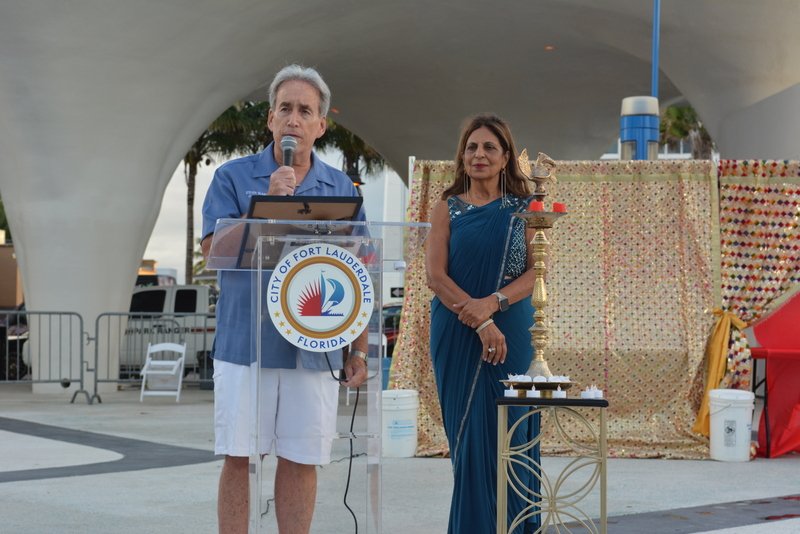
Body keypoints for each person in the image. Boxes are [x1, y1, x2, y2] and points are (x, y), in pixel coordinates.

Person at [200, 64, 369, 534]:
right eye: (285, 108)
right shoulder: (233, 177)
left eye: (305, 111)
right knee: (240, 456)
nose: (294, 119)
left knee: (301, 458)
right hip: (246, 344)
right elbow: (212, 251)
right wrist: (265, 208)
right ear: (270, 119)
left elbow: (360, 270)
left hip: (315, 345)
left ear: (321, 125)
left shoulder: (341, 188)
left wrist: (358, 349)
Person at [425, 114, 536, 533]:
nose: (479, 154)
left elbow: (537, 272)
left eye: (489, 147)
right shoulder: (447, 208)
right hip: (457, 331)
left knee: (514, 434)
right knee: (470, 441)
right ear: (462, 156)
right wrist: (478, 321)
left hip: (512, 332)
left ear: (506, 157)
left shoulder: (525, 209)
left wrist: (492, 304)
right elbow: (436, 276)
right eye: (471, 147)